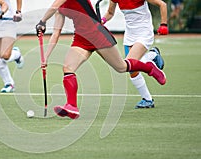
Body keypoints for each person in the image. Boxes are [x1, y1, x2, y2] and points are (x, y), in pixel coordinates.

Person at [35, 0, 166, 119]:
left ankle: (149, 68)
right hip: (81, 38)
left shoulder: (56, 5)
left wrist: (42, 21)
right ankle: (72, 106)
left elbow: (53, 7)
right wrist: (46, 56)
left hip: (96, 32)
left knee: (121, 67)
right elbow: (56, 33)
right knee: (68, 68)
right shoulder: (59, 9)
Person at [102, 0, 168, 109]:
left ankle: (152, 58)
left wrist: (163, 24)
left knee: (128, 64)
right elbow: (110, 13)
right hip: (130, 34)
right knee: (132, 70)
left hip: (144, 32)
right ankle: (147, 99)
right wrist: (102, 21)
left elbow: (162, 4)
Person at [0, 0, 24, 93]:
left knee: (5, 55)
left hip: (8, 22)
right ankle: (9, 83)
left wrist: (19, 12)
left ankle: (17, 54)